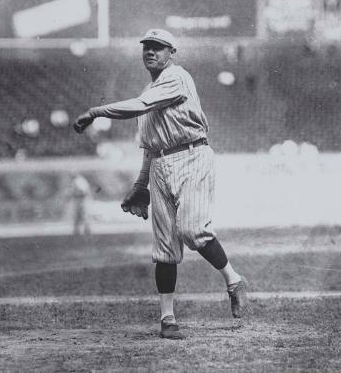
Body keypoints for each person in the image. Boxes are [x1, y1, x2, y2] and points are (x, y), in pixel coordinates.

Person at [74, 28, 248, 339]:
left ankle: (233, 280)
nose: (151, 52)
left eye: (158, 47)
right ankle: (167, 319)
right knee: (165, 248)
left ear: (171, 53)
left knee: (193, 230)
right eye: (146, 48)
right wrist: (141, 185)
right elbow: (150, 147)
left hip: (192, 155)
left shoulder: (177, 77)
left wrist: (95, 112)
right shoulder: (148, 92)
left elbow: (139, 105)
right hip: (160, 164)